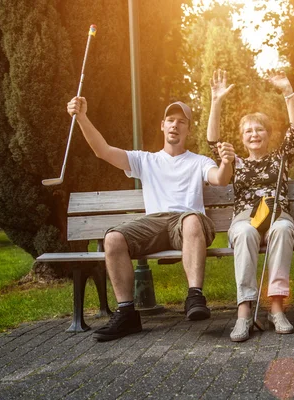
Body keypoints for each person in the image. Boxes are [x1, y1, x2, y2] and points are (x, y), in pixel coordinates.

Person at [66, 96, 235, 342]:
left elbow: (220, 178)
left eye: (181, 122)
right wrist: (82, 117)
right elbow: (102, 151)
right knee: (113, 239)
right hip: (155, 223)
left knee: (190, 220)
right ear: (162, 126)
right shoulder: (145, 160)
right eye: (170, 120)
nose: (175, 125)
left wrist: (227, 162)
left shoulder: (199, 161)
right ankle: (126, 314)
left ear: (188, 129)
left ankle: (195, 296)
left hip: (188, 223)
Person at [207, 69, 294, 342]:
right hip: (246, 217)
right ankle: (244, 312)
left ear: (268, 134)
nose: (254, 133)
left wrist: (288, 92)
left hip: (277, 214)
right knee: (247, 233)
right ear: (241, 137)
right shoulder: (234, 160)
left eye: (259, 129)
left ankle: (276, 308)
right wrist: (216, 101)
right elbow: (213, 140)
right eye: (248, 130)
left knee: (283, 231)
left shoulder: (279, 158)